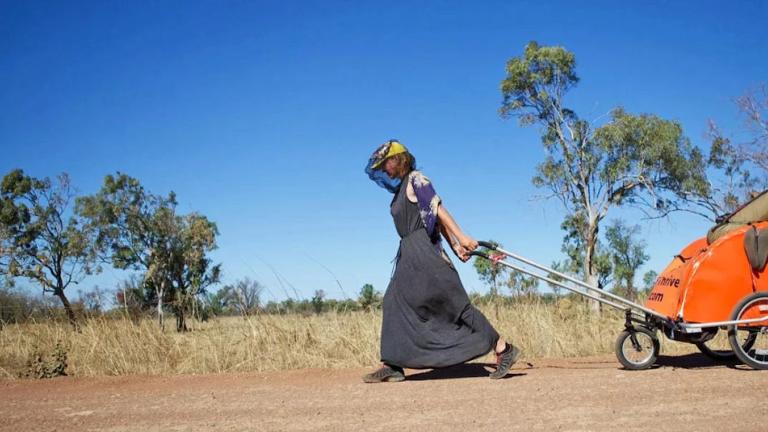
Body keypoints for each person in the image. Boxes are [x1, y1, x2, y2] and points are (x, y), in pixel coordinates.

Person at [362, 139, 519, 383]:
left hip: (424, 252)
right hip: (408, 253)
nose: (384, 169)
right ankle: (393, 363)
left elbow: (438, 210)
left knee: (455, 304)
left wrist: (462, 238)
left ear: (398, 159)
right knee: (394, 301)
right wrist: (456, 247)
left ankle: (503, 349)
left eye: (386, 164)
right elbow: (432, 218)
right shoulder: (402, 188)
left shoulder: (417, 179)